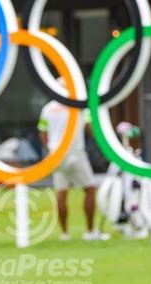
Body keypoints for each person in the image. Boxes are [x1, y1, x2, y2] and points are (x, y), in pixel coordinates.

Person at [38, 79, 107, 241]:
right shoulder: (78, 106)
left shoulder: (48, 108)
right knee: (89, 189)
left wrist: (49, 149)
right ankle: (89, 232)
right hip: (75, 151)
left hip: (56, 153)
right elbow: (90, 126)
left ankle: (64, 234)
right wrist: (104, 144)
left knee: (61, 192)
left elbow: (42, 132)